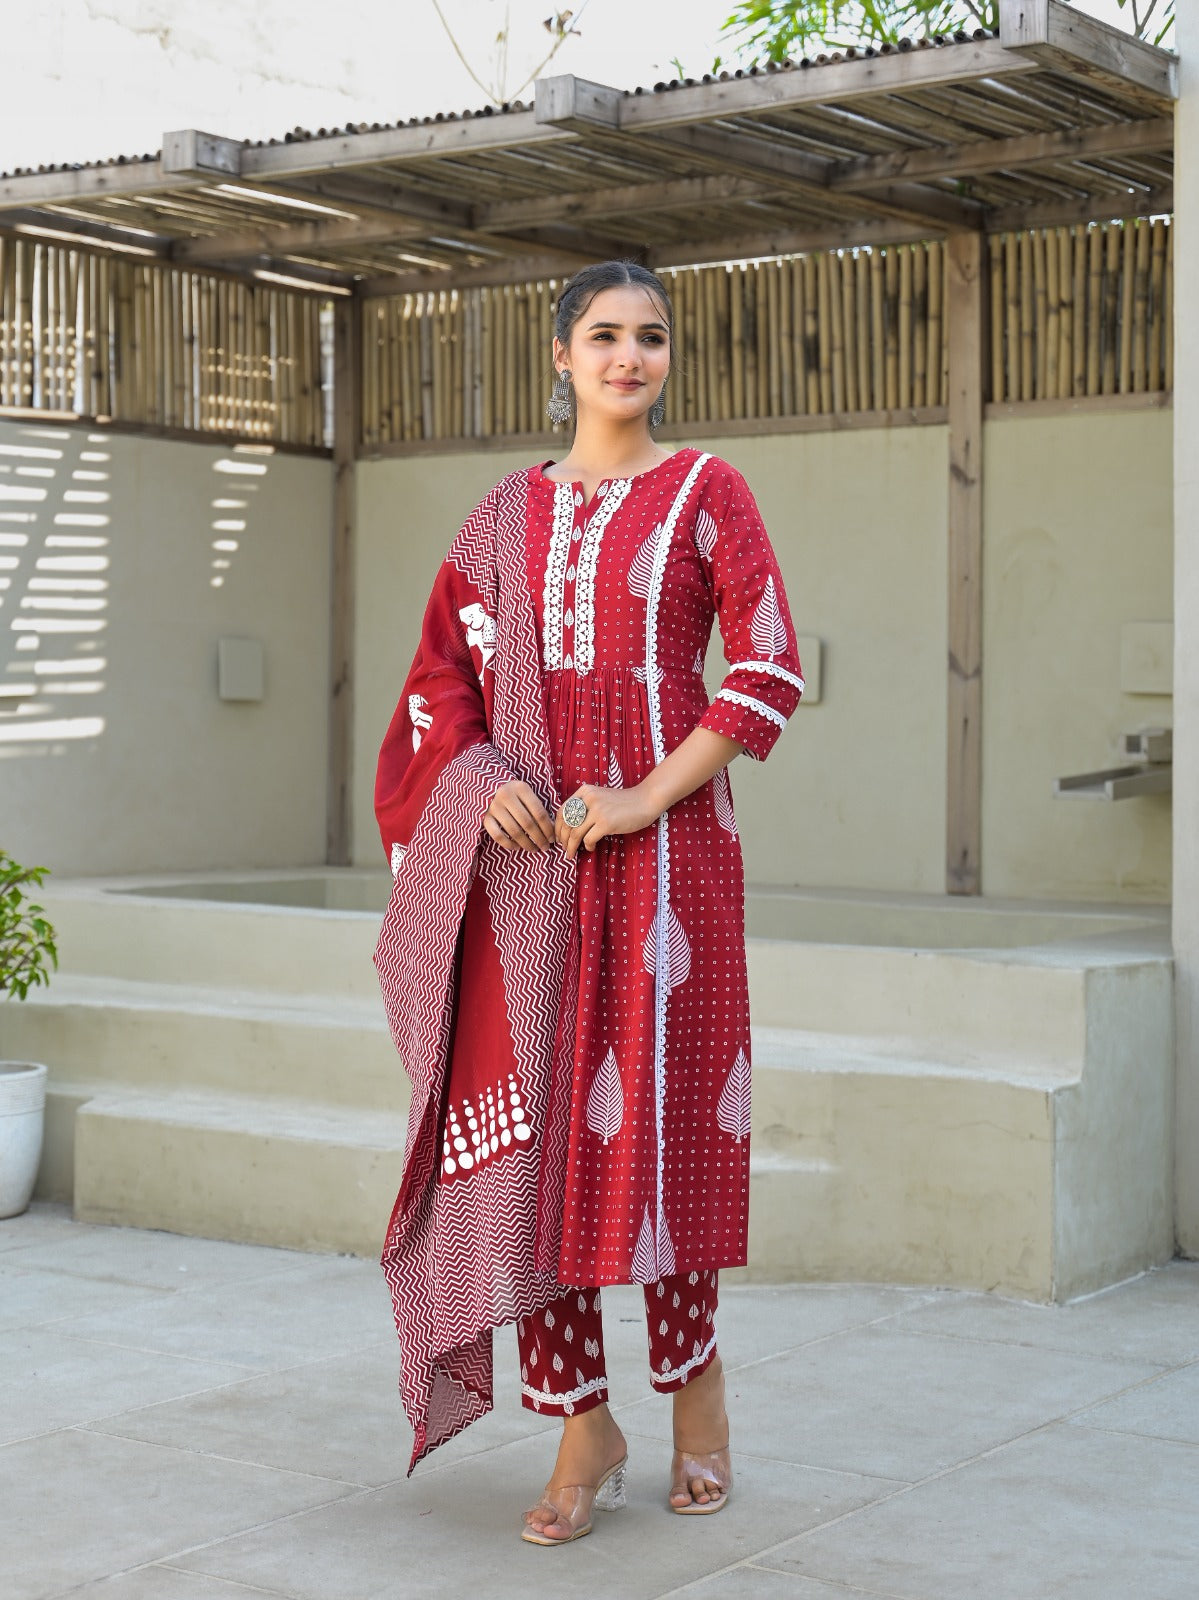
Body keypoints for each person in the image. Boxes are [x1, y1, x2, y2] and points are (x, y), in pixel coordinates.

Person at [373, 259, 803, 1546]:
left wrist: (638, 799)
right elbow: (437, 685)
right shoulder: (500, 515)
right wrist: (477, 778)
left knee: (663, 1135)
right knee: (545, 1142)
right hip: (528, 875)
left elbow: (769, 668)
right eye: (604, 335)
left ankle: (698, 1393)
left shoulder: (707, 491)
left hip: (669, 861)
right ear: (558, 354)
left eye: (651, 337)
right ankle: (580, 1420)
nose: (629, 357)